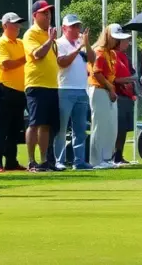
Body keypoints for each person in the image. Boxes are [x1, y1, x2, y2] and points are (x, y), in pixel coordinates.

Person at [23, 0, 60, 172]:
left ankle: (44, 161)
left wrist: (51, 39)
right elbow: (37, 54)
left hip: (52, 85)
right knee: (35, 123)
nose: (48, 16)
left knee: (46, 125)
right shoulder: (30, 34)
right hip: (36, 84)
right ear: (34, 16)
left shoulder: (49, 35)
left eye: (49, 13)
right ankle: (32, 161)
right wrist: (50, 40)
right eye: (44, 13)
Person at [53, 13, 92, 171]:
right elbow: (62, 63)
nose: (77, 29)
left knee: (80, 129)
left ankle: (79, 161)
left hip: (82, 90)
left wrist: (87, 44)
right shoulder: (59, 43)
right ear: (64, 28)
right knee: (61, 129)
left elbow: (93, 59)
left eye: (78, 26)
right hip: (64, 89)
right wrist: (79, 48)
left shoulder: (80, 43)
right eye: (73, 26)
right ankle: (59, 160)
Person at [0, 12, 27, 173]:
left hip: (20, 90)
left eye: (19, 24)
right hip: (5, 89)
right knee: (2, 127)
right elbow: (5, 64)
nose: (18, 27)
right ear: (5, 25)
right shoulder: (0, 44)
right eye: (14, 24)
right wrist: (25, 59)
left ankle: (11, 161)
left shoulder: (21, 43)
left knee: (15, 128)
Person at [88, 25, 129, 168]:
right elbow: (96, 73)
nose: (117, 41)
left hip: (109, 90)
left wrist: (111, 88)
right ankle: (96, 160)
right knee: (99, 126)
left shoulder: (112, 54)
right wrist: (110, 87)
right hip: (99, 90)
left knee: (111, 126)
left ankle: (106, 158)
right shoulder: (98, 52)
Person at [112, 32, 138, 166]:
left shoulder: (125, 57)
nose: (127, 43)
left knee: (125, 128)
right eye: (125, 41)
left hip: (127, 96)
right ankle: (114, 156)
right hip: (117, 95)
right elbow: (113, 77)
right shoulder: (112, 55)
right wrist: (129, 80)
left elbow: (133, 73)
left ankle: (119, 155)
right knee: (118, 127)